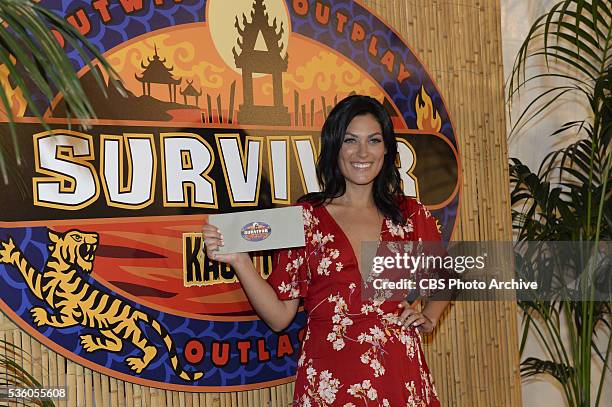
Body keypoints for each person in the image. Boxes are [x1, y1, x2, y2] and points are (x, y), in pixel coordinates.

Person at [202, 95, 450, 406]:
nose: (362, 152)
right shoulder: (305, 217)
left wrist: (429, 316)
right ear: (335, 147)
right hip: (330, 382)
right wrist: (240, 261)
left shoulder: (409, 214)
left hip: (399, 378)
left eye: (373, 140)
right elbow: (280, 317)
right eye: (350, 140)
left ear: (386, 148)